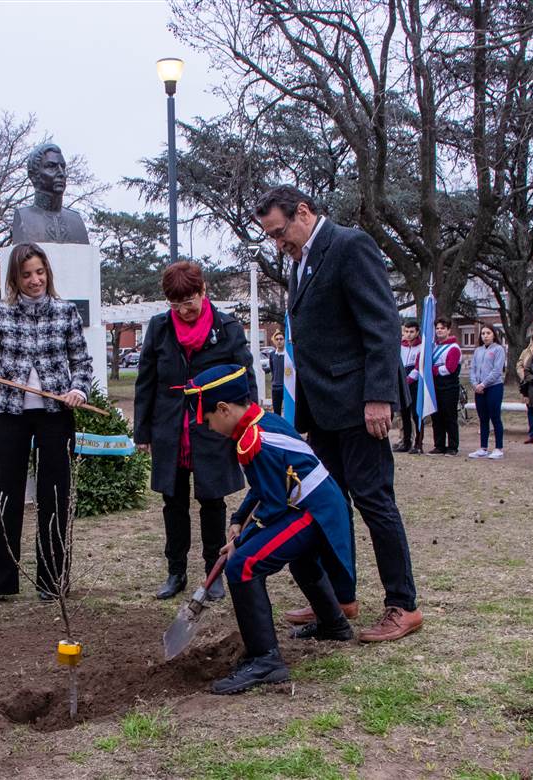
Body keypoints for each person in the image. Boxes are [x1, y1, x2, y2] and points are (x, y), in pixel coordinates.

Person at [254, 185, 420, 643]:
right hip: (322, 409)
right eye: (270, 236)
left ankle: (402, 605)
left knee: (374, 500)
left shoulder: (349, 246)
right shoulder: (300, 261)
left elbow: (381, 324)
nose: (277, 243)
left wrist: (379, 397)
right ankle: (340, 598)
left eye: (280, 231)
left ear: (303, 212)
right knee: (328, 502)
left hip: (359, 405)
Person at [181, 364, 354, 695]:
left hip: (313, 510)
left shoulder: (254, 439)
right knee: (300, 559)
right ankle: (334, 625)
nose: (208, 427)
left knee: (243, 565)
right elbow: (263, 487)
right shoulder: (259, 423)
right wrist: (238, 519)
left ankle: (266, 661)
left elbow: (273, 505)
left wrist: (241, 541)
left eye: (207, 421)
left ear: (224, 409)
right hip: (316, 503)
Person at [0, 243, 93, 609]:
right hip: (11, 413)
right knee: (2, 495)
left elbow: (82, 362)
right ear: (15, 278)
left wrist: (78, 390)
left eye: (40, 272)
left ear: (47, 273)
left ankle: (52, 579)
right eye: (26, 275)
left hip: (56, 415)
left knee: (54, 496)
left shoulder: (65, 313)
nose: (34, 280)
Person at [133, 261, 256, 601]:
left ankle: (212, 572)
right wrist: (141, 431)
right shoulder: (158, 329)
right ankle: (175, 571)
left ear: (203, 292)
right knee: (173, 501)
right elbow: (146, 382)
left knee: (212, 500)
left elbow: (246, 378)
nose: (184, 310)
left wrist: (249, 424)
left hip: (211, 426)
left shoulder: (227, 327)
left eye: (189, 301)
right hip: (169, 427)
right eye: (176, 304)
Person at [467, 324, 505, 459]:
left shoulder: (498, 349)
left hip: (494, 387)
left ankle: (499, 447)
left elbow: (497, 370)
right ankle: (483, 447)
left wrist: (484, 384)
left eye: (488, 333)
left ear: (494, 334)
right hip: (479, 389)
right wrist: (475, 384)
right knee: (483, 418)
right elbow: (473, 368)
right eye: (483, 333)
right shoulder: (478, 350)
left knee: (495, 417)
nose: (485, 336)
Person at [429, 318, 462, 456]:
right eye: (437, 328)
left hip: (449, 387)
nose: (439, 331)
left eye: (442, 328)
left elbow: (450, 368)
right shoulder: (434, 347)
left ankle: (453, 446)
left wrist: (433, 370)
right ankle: (439, 445)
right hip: (435, 386)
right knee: (436, 417)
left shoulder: (454, 348)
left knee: (449, 416)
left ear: (448, 330)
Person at [396, 320, 424, 454]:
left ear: (417, 332)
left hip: (414, 384)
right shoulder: (400, 346)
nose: (408, 334)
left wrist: (408, 379)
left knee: (416, 414)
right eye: (406, 331)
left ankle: (418, 443)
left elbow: (419, 367)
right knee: (404, 414)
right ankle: (406, 441)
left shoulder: (421, 347)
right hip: (402, 382)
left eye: (412, 331)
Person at [269, 331, 286, 416]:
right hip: (276, 387)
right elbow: (272, 369)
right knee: (276, 412)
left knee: (289, 412)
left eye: (281, 339)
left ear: (284, 340)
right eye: (277, 339)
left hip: (286, 387)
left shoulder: (288, 355)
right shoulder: (272, 354)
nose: (279, 341)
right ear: (275, 341)